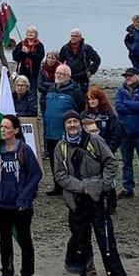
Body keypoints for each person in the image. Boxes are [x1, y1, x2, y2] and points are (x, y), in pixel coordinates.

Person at [53, 110, 128, 276]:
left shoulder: (94, 141)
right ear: (64, 125)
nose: (72, 125)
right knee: (81, 242)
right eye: (68, 122)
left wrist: (102, 184)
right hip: (76, 202)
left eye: (75, 122)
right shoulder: (60, 147)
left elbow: (111, 162)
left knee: (107, 243)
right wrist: (82, 187)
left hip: (98, 201)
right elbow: (60, 175)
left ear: (80, 124)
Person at [0, 114, 42, 276]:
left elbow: (36, 174)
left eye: (6, 127)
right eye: (1, 127)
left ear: (16, 130)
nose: (3, 130)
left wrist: (25, 196)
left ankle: (27, 275)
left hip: (20, 204)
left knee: (24, 239)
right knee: (4, 239)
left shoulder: (24, 150)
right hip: (1, 202)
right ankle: (7, 272)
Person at [41, 65, 86, 196]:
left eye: (62, 74)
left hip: (64, 135)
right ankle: (57, 186)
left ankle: (70, 186)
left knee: (67, 162)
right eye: (57, 73)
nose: (59, 76)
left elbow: (81, 109)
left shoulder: (75, 91)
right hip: (49, 133)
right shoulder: (51, 88)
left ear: (68, 76)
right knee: (53, 161)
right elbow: (44, 106)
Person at [112, 69, 139, 202]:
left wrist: (127, 103)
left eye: (130, 76)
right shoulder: (121, 90)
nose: (127, 78)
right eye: (125, 76)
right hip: (125, 132)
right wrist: (134, 106)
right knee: (126, 163)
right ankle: (127, 188)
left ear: (138, 76)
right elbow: (118, 107)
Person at [83, 85, 123, 156]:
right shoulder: (84, 115)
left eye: (94, 99)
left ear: (100, 99)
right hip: (88, 152)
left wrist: (109, 150)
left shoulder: (109, 115)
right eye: (89, 99)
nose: (91, 101)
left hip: (105, 151)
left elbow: (117, 134)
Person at [13, 26, 45, 104]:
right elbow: (15, 57)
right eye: (29, 32)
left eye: (32, 32)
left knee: (33, 91)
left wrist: (29, 53)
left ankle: (33, 109)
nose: (30, 34)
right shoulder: (21, 44)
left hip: (34, 72)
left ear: (36, 34)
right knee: (21, 90)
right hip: (22, 71)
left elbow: (39, 58)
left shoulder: (39, 45)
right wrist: (22, 52)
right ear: (26, 34)